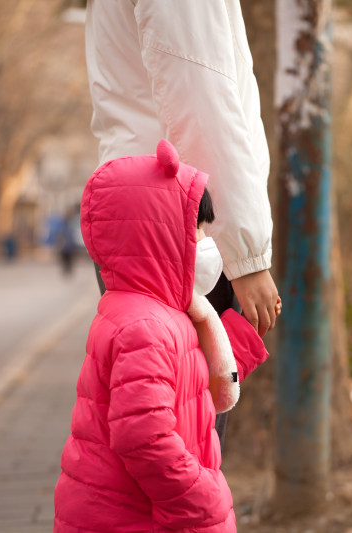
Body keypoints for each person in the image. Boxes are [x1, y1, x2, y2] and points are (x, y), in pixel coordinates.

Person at [86, 0, 279, 450]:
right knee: (183, 444)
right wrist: (247, 256)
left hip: (142, 214)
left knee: (157, 425)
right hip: (183, 226)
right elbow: (201, 102)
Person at [54, 140, 272, 532]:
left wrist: (239, 337)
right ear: (156, 236)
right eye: (197, 230)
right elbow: (144, 436)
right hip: (135, 516)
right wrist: (201, 497)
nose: (207, 244)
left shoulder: (165, 311)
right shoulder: (144, 328)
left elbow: (190, 385)